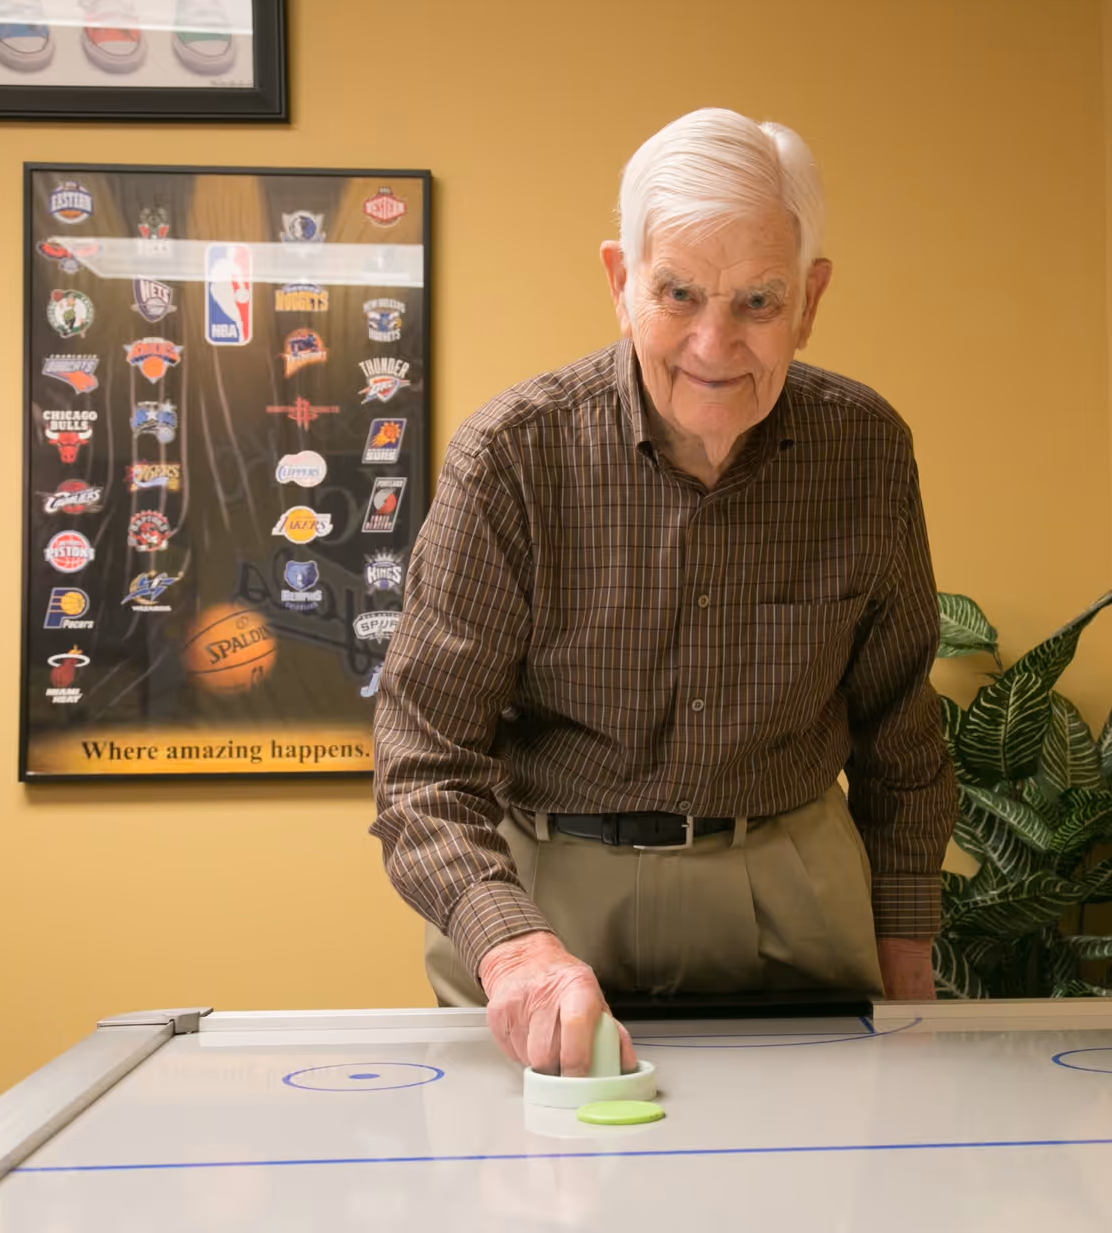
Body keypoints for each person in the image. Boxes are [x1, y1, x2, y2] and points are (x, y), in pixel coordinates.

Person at [370, 108, 956, 1078]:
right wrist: (510, 944)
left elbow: (898, 729)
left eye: (758, 301)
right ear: (620, 281)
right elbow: (423, 760)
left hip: (792, 883)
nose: (713, 343)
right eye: (677, 293)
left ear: (810, 299)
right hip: (550, 892)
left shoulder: (867, 452)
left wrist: (907, 955)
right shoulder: (511, 459)